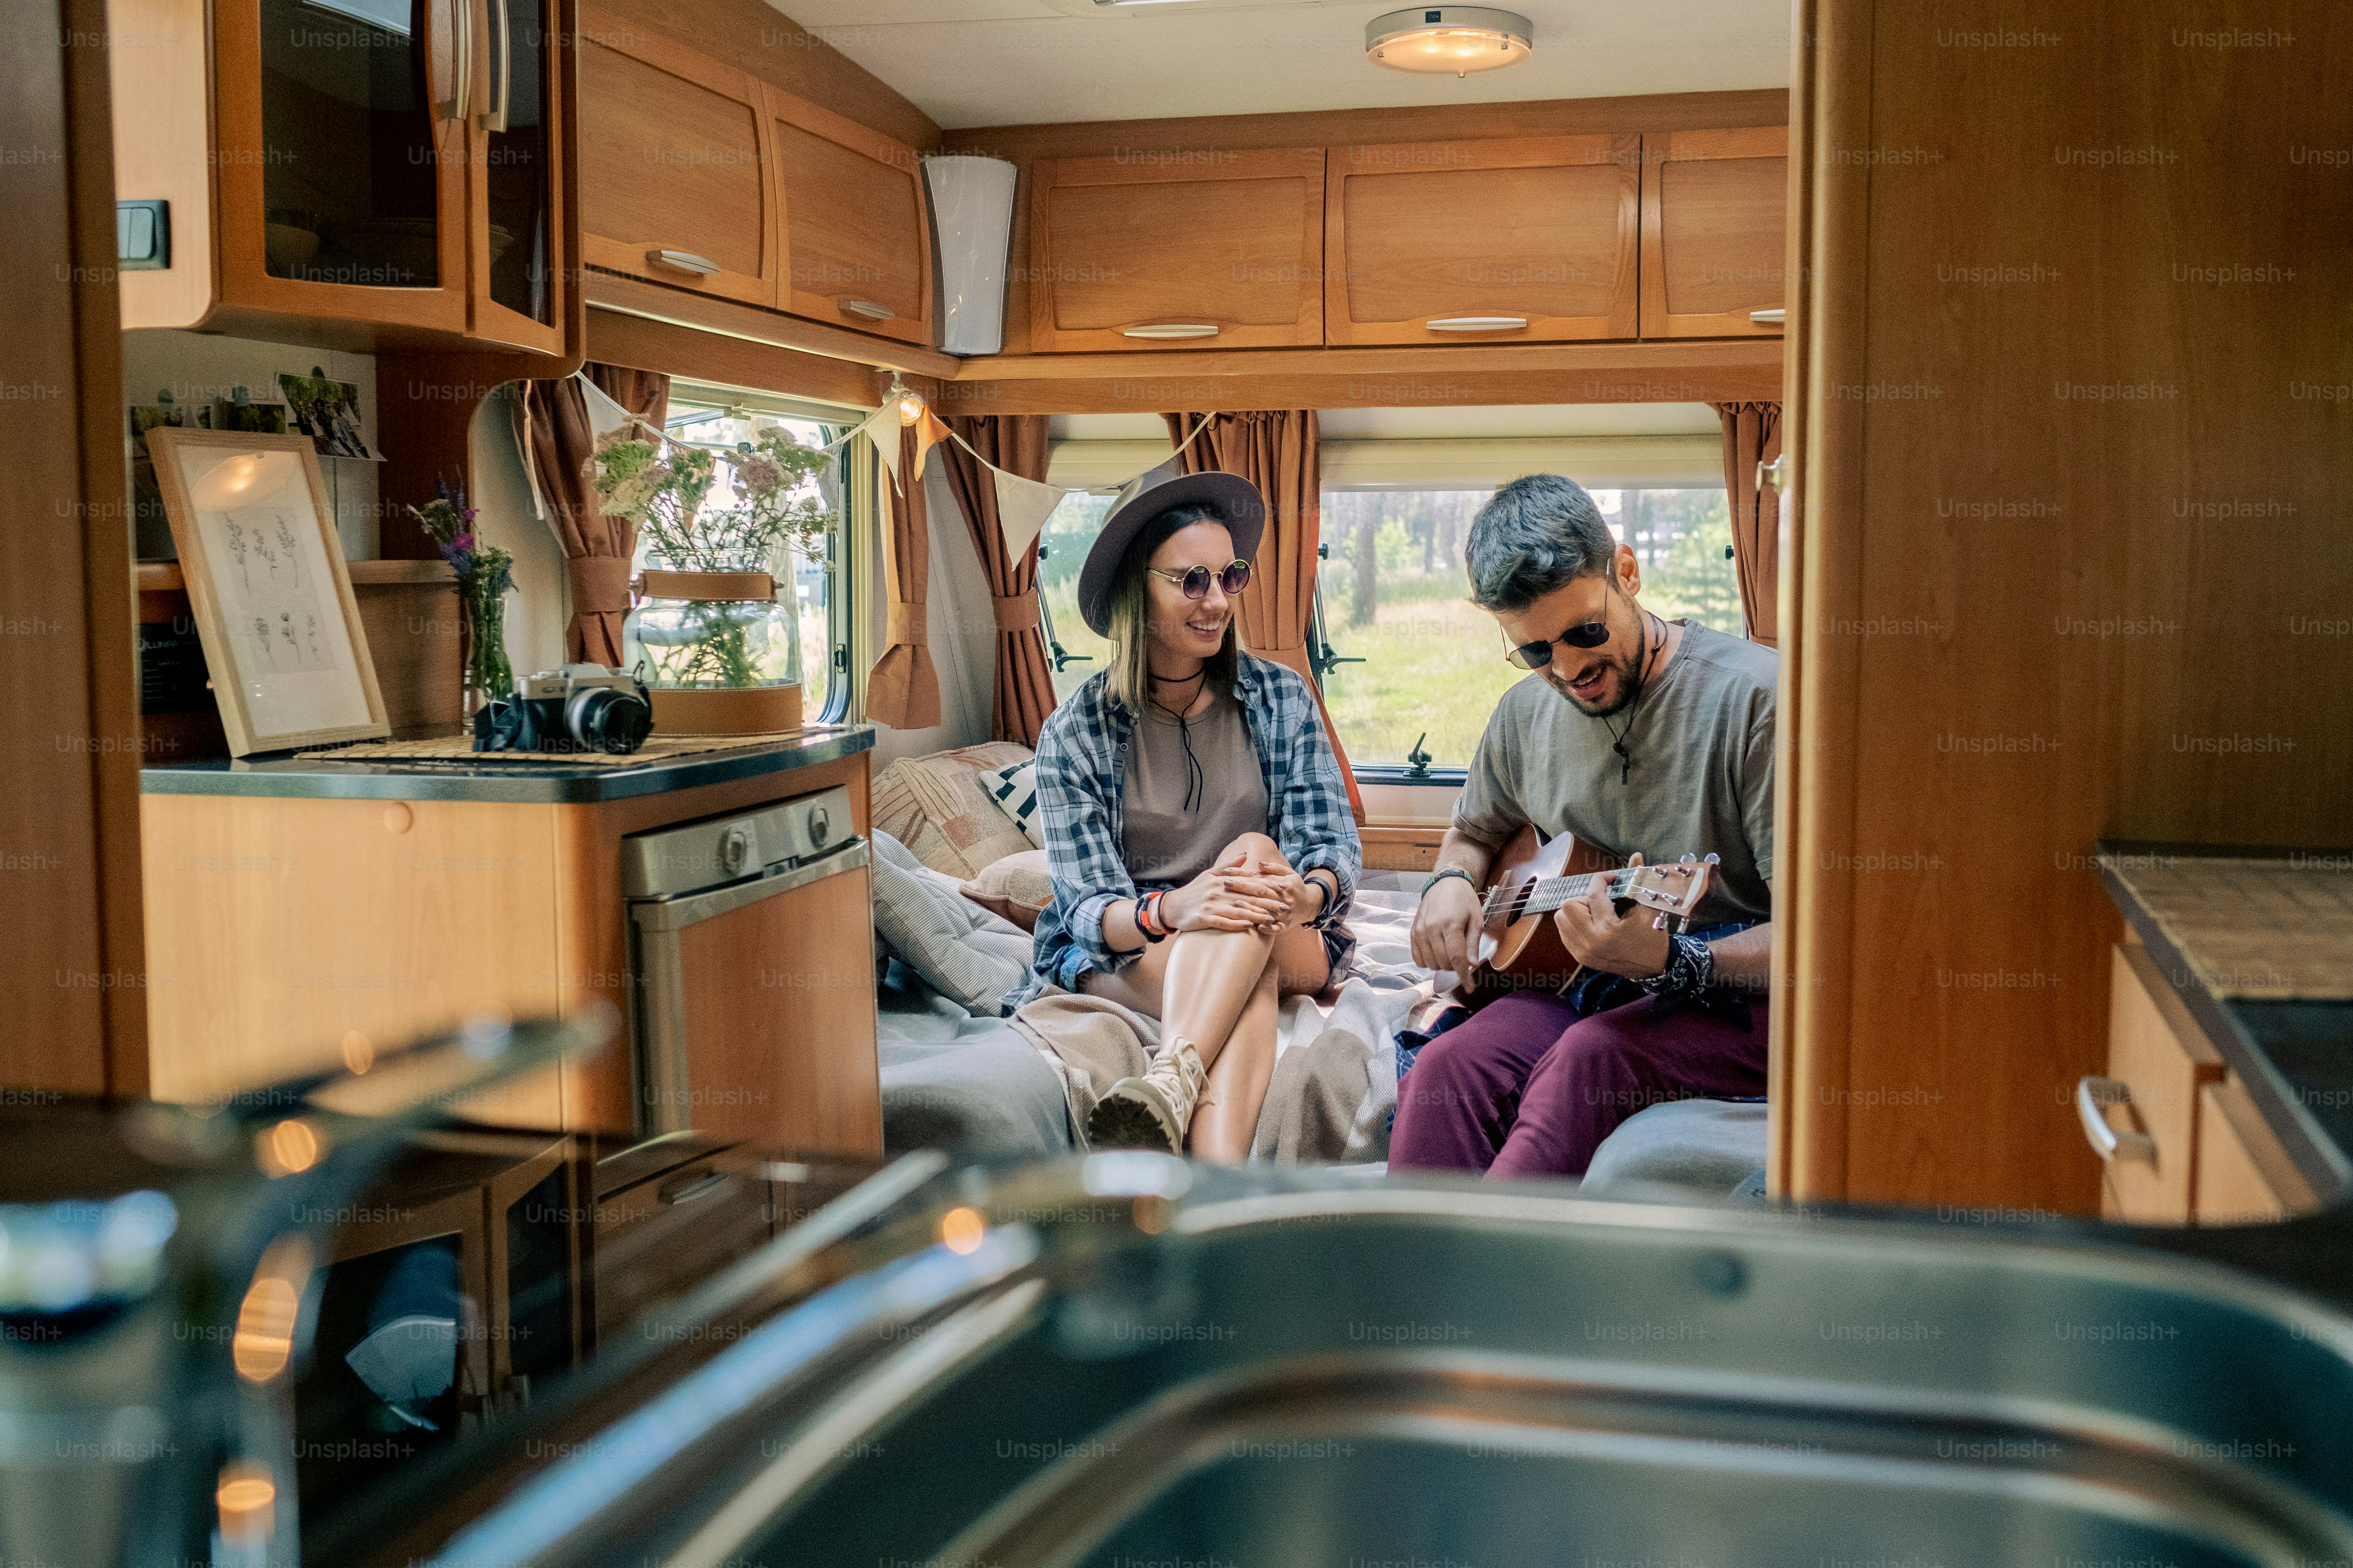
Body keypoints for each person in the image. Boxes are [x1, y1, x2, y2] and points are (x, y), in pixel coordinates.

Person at [1395, 473, 1776, 1180]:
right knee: (1447, 1068)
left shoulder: (1757, 701)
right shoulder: (1519, 716)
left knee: (1588, 1058)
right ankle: (1405, 1284)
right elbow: (1474, 833)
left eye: (1585, 632)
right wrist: (1450, 880)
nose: (1568, 668)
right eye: (1536, 651)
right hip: (1582, 980)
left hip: (1735, 997)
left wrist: (1675, 962)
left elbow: (1825, 937)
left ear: (1625, 573)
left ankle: (1492, 1280)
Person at [1014, 466, 1361, 1161]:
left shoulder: (1281, 696)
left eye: (1228, 577)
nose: (1216, 601)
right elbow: (1088, 911)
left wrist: (1306, 891)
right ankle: (1216, 1171)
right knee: (1249, 968)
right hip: (1144, 939)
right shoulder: (1075, 731)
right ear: (1134, 594)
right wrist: (1176, 909)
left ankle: (1173, 1076)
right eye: (1189, 580)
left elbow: (1332, 847)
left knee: (1256, 852)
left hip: (1280, 921)